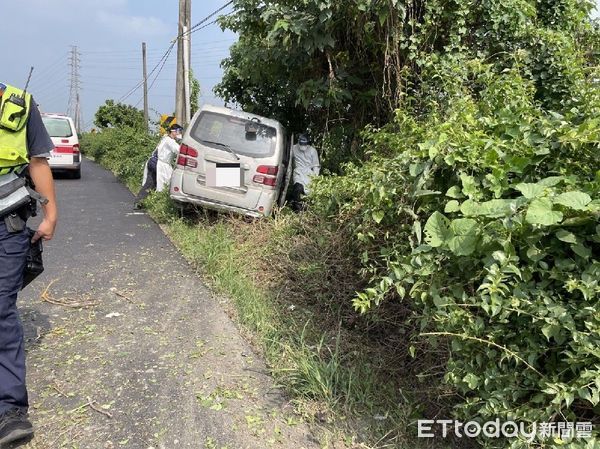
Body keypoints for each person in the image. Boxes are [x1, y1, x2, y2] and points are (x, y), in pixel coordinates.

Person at [0, 82, 57, 446]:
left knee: (1, 309)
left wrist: (50, 215)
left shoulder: (19, 104)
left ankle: (10, 410)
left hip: (8, 224)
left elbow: (38, 162)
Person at [135, 124, 183, 207]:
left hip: (153, 162)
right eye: (178, 131)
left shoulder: (165, 137)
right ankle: (160, 205)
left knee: (150, 183)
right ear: (173, 132)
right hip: (159, 164)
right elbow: (178, 150)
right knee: (165, 185)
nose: (179, 134)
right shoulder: (169, 141)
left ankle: (139, 203)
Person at [290, 134, 320, 212]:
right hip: (298, 172)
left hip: (309, 173)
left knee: (308, 192)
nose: (302, 146)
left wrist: (315, 178)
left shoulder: (312, 151)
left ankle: (306, 209)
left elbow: (316, 165)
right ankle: (297, 209)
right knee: (298, 188)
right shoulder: (293, 148)